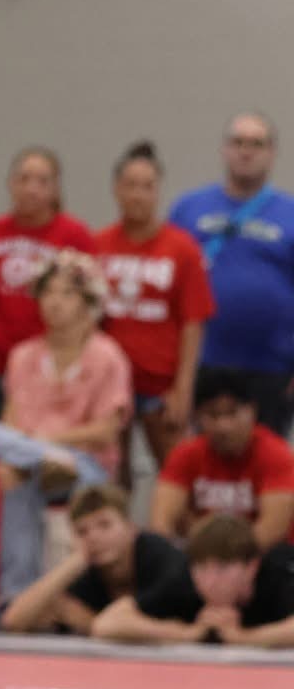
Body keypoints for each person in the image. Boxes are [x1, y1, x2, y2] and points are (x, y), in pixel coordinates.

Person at [0, 252, 133, 602]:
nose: (55, 302)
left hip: (87, 464)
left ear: (88, 303)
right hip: (30, 458)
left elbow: (104, 432)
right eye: (48, 292)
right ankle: (14, 591)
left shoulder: (106, 355)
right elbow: (10, 421)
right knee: (12, 477)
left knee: (21, 453)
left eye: (67, 293)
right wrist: (32, 450)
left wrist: (47, 442)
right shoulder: (22, 356)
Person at [170, 113, 294, 436]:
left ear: (272, 153)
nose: (246, 151)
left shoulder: (289, 214)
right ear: (225, 150)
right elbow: (169, 285)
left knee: (268, 465)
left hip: (273, 368)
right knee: (207, 468)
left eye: (257, 144)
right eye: (238, 142)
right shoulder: (188, 209)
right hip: (204, 363)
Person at [95, 141, 213, 474]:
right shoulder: (97, 245)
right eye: (130, 185)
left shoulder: (182, 248)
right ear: (117, 190)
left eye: (147, 186)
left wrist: (183, 388)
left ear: (158, 192)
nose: (138, 195)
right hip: (111, 385)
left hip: (161, 386)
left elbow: (194, 321)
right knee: (112, 478)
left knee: (177, 473)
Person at [0, 148, 95, 408]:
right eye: (23, 179)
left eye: (42, 181)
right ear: (11, 184)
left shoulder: (75, 236)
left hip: (50, 364)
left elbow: (90, 307)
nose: (31, 189)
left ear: (56, 189)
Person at [1, 484, 184, 635]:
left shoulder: (160, 557)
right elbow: (13, 621)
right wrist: (75, 562)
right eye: (82, 531)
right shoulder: (85, 568)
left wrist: (91, 622)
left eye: (104, 525)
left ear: (131, 527)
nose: (93, 537)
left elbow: (109, 626)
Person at [93, 513, 294, 647]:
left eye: (222, 568)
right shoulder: (185, 582)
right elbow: (107, 623)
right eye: (201, 568)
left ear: (251, 567)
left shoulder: (276, 577)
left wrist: (243, 637)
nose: (210, 581)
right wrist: (188, 634)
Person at [151, 366, 294, 549]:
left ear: (252, 411)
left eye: (232, 413)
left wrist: (224, 558)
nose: (223, 426)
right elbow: (160, 522)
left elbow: (272, 529)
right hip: (201, 556)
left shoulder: (276, 454)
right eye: (213, 415)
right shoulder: (186, 454)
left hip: (260, 556)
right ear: (198, 417)